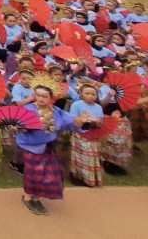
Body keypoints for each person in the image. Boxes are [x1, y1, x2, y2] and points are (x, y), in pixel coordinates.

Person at [15, 77, 96, 215]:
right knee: (33, 174)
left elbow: (70, 123)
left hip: (48, 147)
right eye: (38, 95)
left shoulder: (56, 111)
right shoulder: (28, 109)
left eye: (44, 96)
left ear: (51, 97)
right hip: (31, 147)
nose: (41, 99)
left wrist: (80, 121)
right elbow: (22, 125)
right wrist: (20, 128)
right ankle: (28, 197)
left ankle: (36, 197)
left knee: (47, 174)